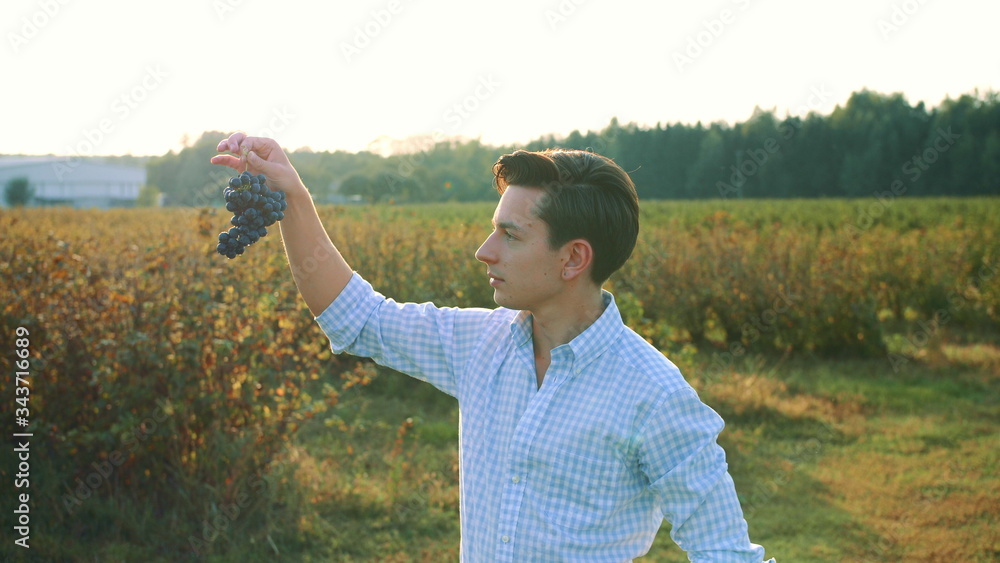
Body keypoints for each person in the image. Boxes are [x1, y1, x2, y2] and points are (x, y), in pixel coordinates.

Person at [211, 132, 774, 562]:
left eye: (511, 235)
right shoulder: (479, 344)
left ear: (573, 258)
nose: (484, 251)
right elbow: (358, 318)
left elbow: (722, 549)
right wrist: (294, 195)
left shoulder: (654, 395)